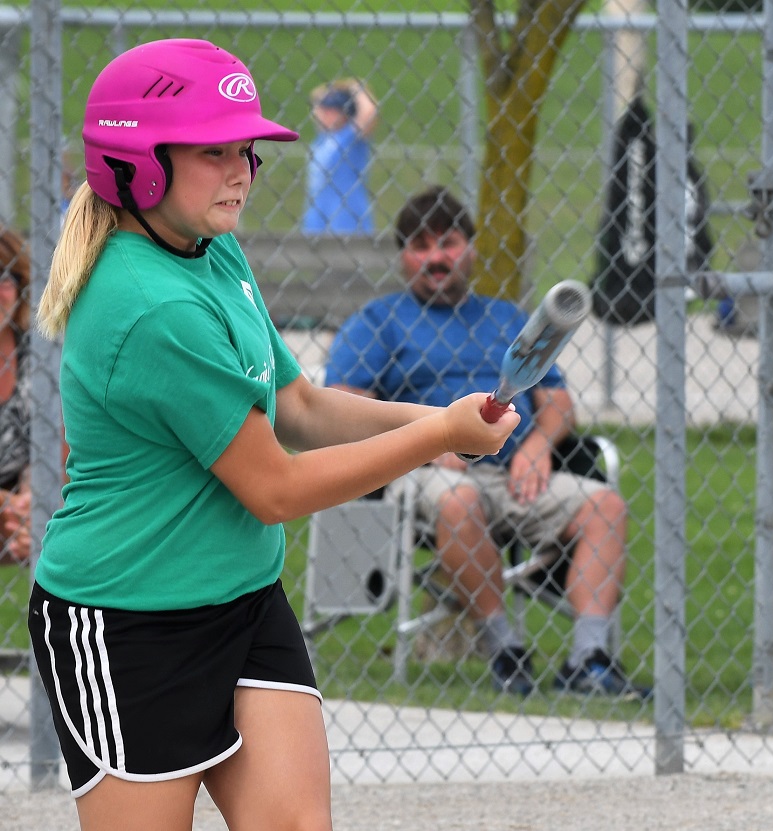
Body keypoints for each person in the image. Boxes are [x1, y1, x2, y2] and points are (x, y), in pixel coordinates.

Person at [29, 40, 517, 831]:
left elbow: (301, 405)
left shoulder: (210, 253)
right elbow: (277, 487)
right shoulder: (151, 305)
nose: (242, 172)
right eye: (213, 152)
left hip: (241, 600)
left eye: (247, 151)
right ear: (137, 164)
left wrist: (441, 420)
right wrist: (433, 439)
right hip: (128, 622)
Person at [324, 186, 649, 700]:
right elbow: (344, 405)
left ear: (471, 249)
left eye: (448, 243)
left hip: (512, 471)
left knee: (605, 505)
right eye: (420, 245)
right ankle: (504, 649)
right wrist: (429, 442)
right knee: (460, 499)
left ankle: (588, 661)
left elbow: (558, 402)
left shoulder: (504, 318)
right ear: (404, 256)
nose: (435, 258)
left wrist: (539, 445)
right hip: (426, 475)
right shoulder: (378, 322)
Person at [301, 78, 378, 235]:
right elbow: (315, 96)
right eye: (324, 109)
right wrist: (336, 86)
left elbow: (369, 111)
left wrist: (355, 86)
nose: (325, 114)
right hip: (317, 221)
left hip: (348, 220)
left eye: (332, 110)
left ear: (344, 113)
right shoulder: (322, 138)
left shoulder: (351, 137)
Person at [0, 225, 31, 564]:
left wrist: (29, 499)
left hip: (22, 504)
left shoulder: (37, 356)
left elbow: (53, 446)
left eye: (4, 278)